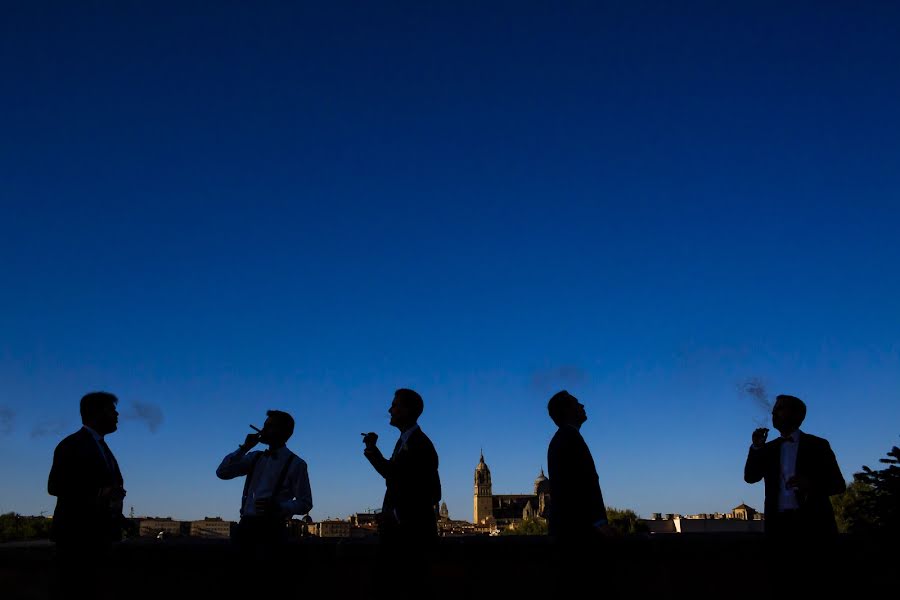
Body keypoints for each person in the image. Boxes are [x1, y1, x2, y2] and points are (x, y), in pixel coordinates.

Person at [48, 391, 127, 597]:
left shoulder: (99, 446)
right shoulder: (71, 444)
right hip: (78, 539)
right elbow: (55, 486)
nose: (117, 415)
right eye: (112, 410)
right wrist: (102, 492)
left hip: (98, 538)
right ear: (96, 413)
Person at [744, 394, 846, 536]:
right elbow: (751, 477)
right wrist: (756, 447)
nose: (773, 412)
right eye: (774, 409)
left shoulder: (818, 445)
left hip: (813, 525)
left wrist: (810, 484)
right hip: (778, 526)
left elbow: (838, 485)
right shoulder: (769, 449)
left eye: (779, 408)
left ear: (796, 414)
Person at [216, 410, 312, 559]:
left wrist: (280, 507)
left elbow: (305, 503)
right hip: (245, 527)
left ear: (283, 431)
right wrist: (244, 448)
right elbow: (222, 472)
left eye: (269, 426)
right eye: (264, 425)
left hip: (273, 530)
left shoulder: (296, 464)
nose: (263, 430)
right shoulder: (254, 457)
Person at [361, 388, 441, 543]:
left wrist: (396, 515)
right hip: (402, 534)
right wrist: (372, 448)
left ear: (407, 410)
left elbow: (433, 493)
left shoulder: (421, 445)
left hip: (412, 537)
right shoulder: (405, 441)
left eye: (394, 405)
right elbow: (392, 473)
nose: (389, 410)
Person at [546, 390, 614, 540]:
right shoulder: (570, 437)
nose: (582, 405)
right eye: (576, 403)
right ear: (567, 410)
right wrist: (599, 522)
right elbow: (585, 483)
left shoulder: (561, 438)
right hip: (578, 531)